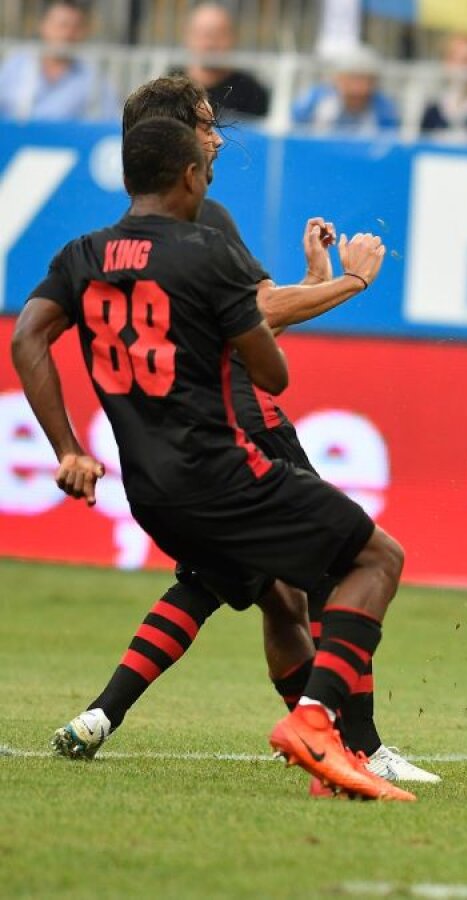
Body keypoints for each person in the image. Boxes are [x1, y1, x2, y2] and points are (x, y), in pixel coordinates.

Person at [49, 75, 439, 789]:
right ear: (177, 147)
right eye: (204, 125)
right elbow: (261, 314)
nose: (218, 135)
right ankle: (357, 743)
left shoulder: (116, 242)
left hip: (159, 456)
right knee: (339, 564)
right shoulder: (205, 219)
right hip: (237, 423)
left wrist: (309, 278)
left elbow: (233, 311)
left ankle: (107, 713)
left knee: (244, 585)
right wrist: (346, 284)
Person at [0, 0, 118, 121]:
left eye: (76, 28)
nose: (68, 34)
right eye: (62, 25)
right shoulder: (16, 66)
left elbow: (109, 123)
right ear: (43, 25)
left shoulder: (93, 79)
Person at [170, 2, 270, 121]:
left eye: (218, 34)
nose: (210, 44)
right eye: (202, 34)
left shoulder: (252, 92)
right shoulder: (169, 86)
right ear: (187, 36)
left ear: (233, 37)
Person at [292, 45, 399, 136]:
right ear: (337, 79)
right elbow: (297, 129)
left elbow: (388, 140)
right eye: (352, 78)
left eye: (364, 79)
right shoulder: (316, 101)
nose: (357, 88)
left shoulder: (384, 109)